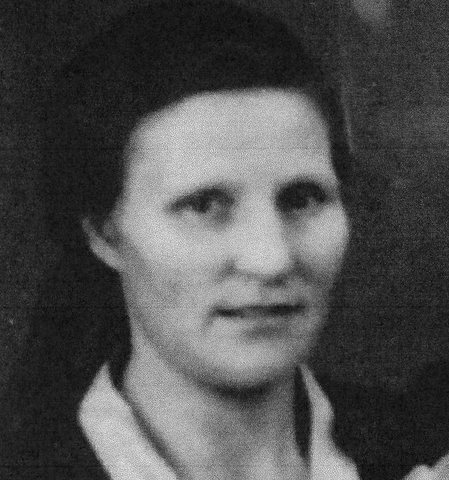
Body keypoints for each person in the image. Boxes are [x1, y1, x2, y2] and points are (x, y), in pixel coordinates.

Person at [0, 1, 435, 479]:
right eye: (205, 205)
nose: (271, 258)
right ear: (105, 234)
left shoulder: (418, 449)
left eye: (302, 198)